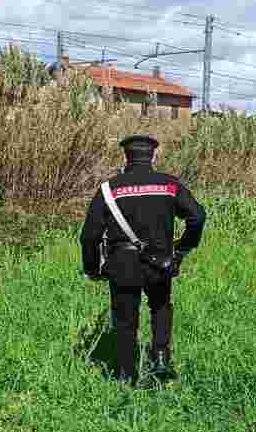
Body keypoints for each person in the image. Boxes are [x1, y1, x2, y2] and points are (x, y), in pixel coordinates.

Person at [80, 135, 207, 385]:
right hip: (160, 262)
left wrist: (92, 269)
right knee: (160, 306)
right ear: (153, 157)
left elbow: (89, 237)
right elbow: (197, 217)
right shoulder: (169, 185)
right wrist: (183, 249)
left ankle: (126, 374)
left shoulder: (109, 189)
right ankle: (160, 359)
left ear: (126, 157)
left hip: (122, 264)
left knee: (125, 319)